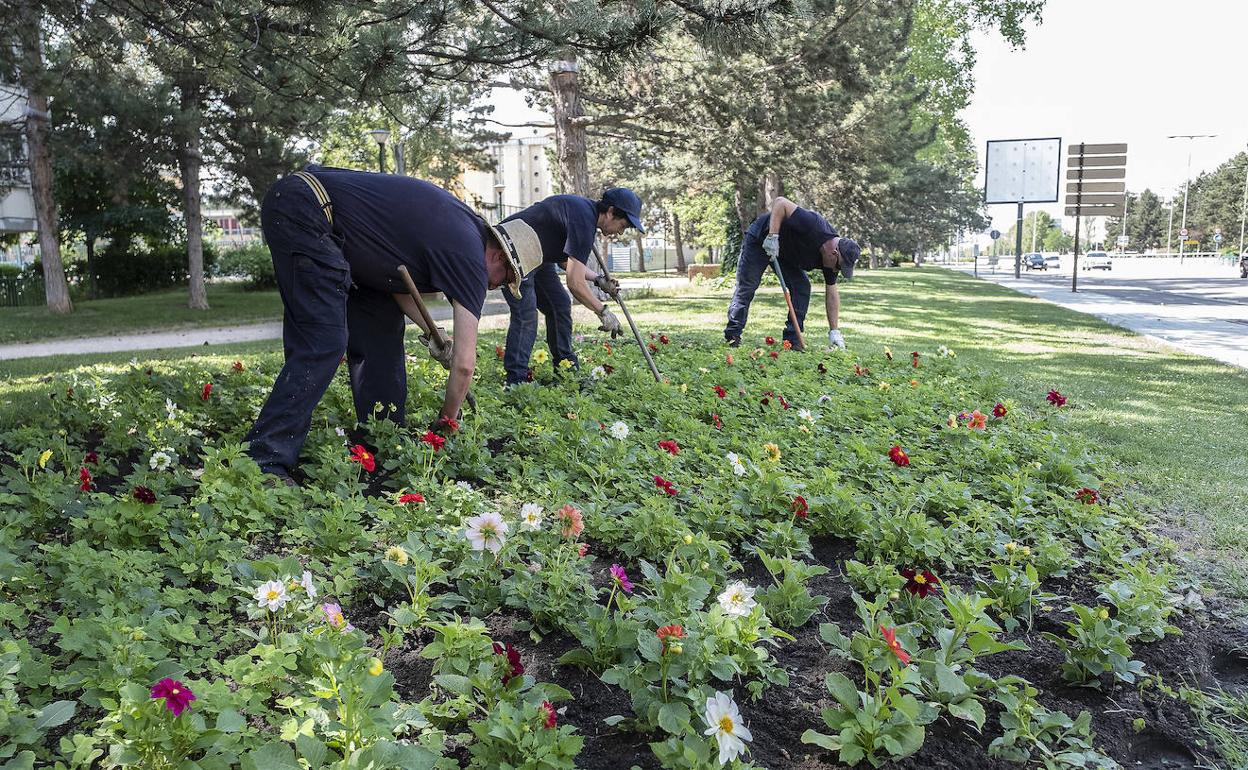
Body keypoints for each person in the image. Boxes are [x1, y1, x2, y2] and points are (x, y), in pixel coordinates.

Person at [244, 165, 535, 481]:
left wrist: (433, 333)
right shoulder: (471, 259)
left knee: (380, 332)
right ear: (499, 258)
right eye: (505, 280)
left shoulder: (463, 235)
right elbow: (465, 365)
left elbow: (395, 282)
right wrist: (446, 424)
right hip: (307, 209)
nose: (495, 287)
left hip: (337, 233)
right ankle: (264, 460)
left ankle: (382, 439)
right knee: (323, 340)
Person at [499, 188, 645, 386]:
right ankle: (515, 382)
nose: (620, 231)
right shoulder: (583, 219)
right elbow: (575, 283)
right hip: (512, 249)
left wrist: (598, 280)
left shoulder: (584, 216)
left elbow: (567, 263)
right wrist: (603, 311)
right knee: (526, 316)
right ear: (610, 212)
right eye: (623, 225)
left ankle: (566, 369)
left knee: (559, 304)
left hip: (537, 257)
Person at [724, 196, 860, 350]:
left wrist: (834, 331)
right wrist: (773, 237)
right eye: (838, 267)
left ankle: (792, 341)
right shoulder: (813, 225)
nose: (836, 271)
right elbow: (780, 202)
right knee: (747, 286)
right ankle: (732, 335)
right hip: (761, 239)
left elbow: (832, 294)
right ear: (834, 253)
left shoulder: (832, 261)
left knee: (801, 287)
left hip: (784, 254)